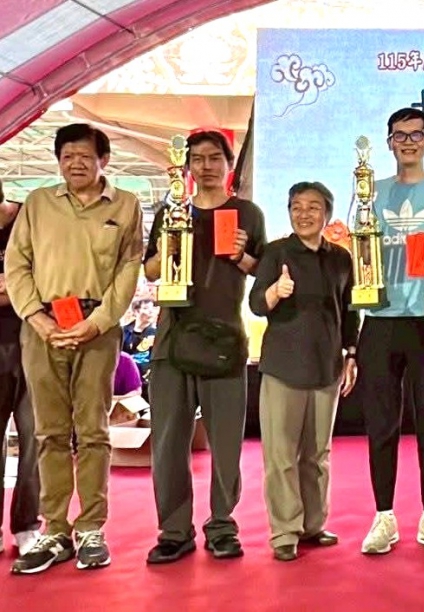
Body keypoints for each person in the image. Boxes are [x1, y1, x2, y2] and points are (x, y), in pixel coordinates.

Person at [5, 123, 144, 573]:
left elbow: (128, 269)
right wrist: (37, 318)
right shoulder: (38, 204)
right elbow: (17, 264)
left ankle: (91, 528)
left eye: (84, 155)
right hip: (41, 328)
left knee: (92, 432)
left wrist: (97, 323)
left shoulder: (125, 205)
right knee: (48, 433)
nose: (75, 163)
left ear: (104, 160)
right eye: (67, 156)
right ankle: (55, 529)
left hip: (97, 329)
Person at [143, 130, 267, 564]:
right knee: (168, 442)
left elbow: (262, 271)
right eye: (198, 159)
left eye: (215, 158)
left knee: (226, 443)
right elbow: (151, 271)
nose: (207, 166)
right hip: (172, 340)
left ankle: (222, 525)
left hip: (224, 340)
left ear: (229, 165)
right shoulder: (171, 209)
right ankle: (174, 531)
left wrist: (241, 256)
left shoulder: (247, 213)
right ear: (188, 167)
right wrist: (168, 245)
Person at [356, 107, 424, 555]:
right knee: (381, 422)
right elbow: (361, 245)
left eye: (416, 135)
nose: (407, 142)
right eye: (399, 135)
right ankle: (383, 517)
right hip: (380, 318)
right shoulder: (370, 191)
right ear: (389, 143)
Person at [249, 182, 359, 561]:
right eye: (296, 207)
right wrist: (275, 292)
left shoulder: (341, 258)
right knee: (281, 456)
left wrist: (351, 353)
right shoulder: (276, 252)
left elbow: (349, 311)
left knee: (317, 455)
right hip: (283, 368)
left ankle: (313, 524)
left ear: (326, 213)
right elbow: (255, 304)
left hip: (327, 368)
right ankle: (284, 532)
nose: (304, 214)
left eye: (313, 207)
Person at [0, 181, 41, 558]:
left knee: (35, 436)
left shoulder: (29, 218)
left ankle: (27, 524)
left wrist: (14, 287)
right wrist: (16, 286)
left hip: (34, 340)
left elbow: (41, 279)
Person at [121, 297, 157, 399]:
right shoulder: (123, 332)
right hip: (127, 380)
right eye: (146, 308)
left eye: (152, 308)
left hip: (147, 381)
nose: (151, 312)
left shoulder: (156, 334)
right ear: (136, 311)